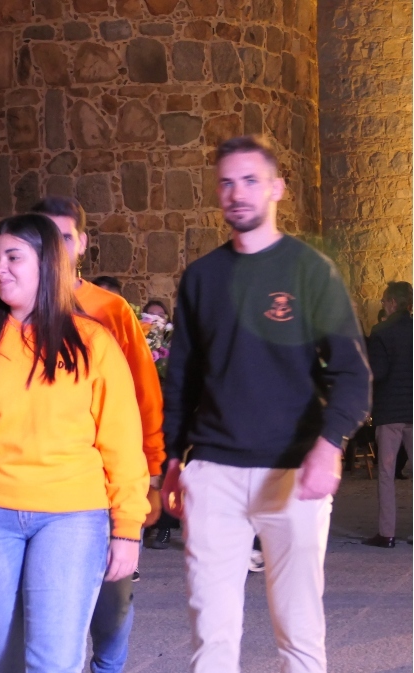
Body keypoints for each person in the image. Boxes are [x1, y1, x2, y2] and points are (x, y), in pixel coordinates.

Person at [161, 135, 371, 673]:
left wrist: (329, 446)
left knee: (299, 634)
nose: (237, 193)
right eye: (227, 183)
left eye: (250, 181)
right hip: (214, 474)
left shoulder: (310, 270)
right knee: (211, 638)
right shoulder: (202, 278)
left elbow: (352, 374)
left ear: (277, 188)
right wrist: (171, 460)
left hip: (292, 472)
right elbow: (182, 378)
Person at [0, 214, 150, 673]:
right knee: (5, 657)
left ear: (47, 263)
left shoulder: (93, 343)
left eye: (13, 257)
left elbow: (122, 443)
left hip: (71, 516)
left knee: (53, 660)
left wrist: (127, 528)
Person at [31, 196, 165, 672]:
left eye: (65, 237)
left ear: (83, 243)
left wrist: (152, 471)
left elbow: (144, 394)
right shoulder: (12, 305)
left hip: (109, 479)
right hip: (42, 482)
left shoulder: (111, 310)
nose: (56, 247)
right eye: (46, 237)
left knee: (113, 602)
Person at [363, 281, 413, 548]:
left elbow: (378, 373)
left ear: (392, 302)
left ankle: (387, 533)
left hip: (390, 412)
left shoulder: (381, 331)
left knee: (386, 472)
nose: (383, 304)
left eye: (383, 301)